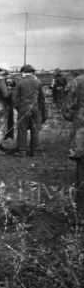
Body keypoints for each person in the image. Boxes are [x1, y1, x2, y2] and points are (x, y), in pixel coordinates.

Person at [62, 73, 84, 220]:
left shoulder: (77, 81)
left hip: (82, 131)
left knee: (82, 172)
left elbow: (67, 111)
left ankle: (80, 214)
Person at [13, 64, 46, 157]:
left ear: (23, 72)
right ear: (31, 72)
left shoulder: (20, 82)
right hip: (35, 108)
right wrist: (39, 108)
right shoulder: (38, 82)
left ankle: (22, 151)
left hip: (23, 107)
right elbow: (42, 98)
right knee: (35, 129)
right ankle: (35, 150)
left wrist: (18, 108)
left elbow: (14, 98)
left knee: (22, 129)